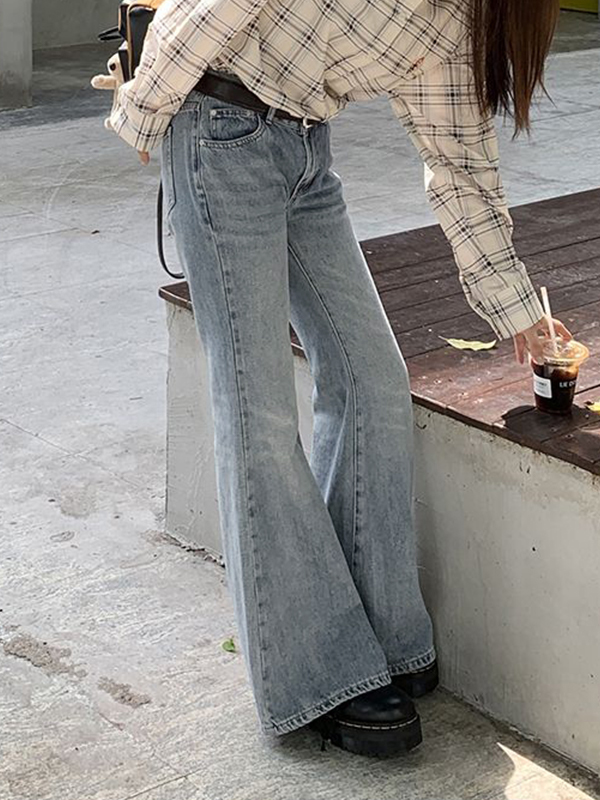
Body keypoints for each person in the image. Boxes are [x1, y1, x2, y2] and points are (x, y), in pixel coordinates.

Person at [105, 0, 572, 757]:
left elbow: (461, 167)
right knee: (258, 413)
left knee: (372, 381)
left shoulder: (467, 20)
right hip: (217, 130)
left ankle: (380, 630)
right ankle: (318, 672)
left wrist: (520, 312)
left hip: (304, 152)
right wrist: (147, 101)